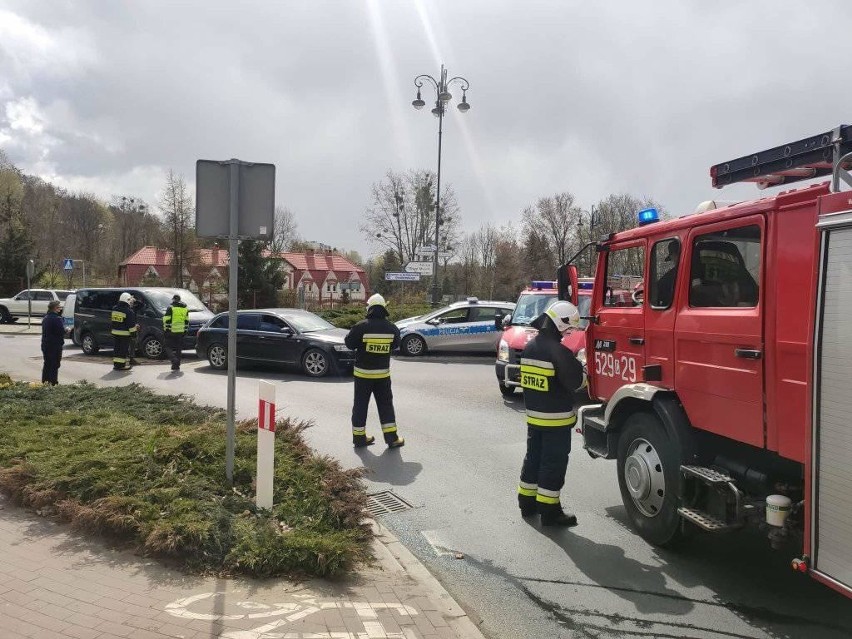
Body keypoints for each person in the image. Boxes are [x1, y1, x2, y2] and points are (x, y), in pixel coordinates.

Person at [517, 301, 585, 526]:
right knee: (553, 464)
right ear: (560, 323)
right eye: (569, 329)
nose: (569, 333)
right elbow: (575, 382)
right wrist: (583, 369)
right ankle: (550, 511)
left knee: (533, 459)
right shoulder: (559, 351)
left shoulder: (530, 347)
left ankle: (527, 504)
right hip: (556, 421)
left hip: (534, 418)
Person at [344, 293, 405, 448]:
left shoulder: (360, 326)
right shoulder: (392, 328)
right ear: (384, 308)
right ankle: (392, 438)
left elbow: (349, 344)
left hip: (362, 375)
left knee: (360, 406)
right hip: (382, 376)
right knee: (386, 405)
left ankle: (359, 438)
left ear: (369, 308)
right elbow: (396, 345)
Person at [111, 292, 137, 370]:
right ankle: (121, 366)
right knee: (123, 350)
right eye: (130, 300)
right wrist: (134, 335)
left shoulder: (115, 308)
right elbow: (131, 326)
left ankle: (116, 365)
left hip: (115, 332)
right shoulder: (129, 312)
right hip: (125, 334)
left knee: (117, 349)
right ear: (127, 300)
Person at [41, 300, 65, 385]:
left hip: (45, 344)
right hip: (55, 345)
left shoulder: (46, 317)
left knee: (47, 363)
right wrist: (67, 330)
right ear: (55, 308)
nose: (60, 308)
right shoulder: (57, 319)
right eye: (59, 307)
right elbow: (61, 331)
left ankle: (45, 381)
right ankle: (53, 382)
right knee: (55, 364)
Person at [163, 293, 189, 371]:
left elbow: (166, 320)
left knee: (167, 347)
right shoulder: (185, 309)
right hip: (180, 332)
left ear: (173, 300)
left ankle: (174, 360)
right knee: (178, 349)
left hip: (171, 331)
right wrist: (185, 331)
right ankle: (176, 366)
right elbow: (187, 321)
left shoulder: (170, 308)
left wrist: (166, 329)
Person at [128, 296, 142, 366]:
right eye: (130, 301)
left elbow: (141, 305)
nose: (131, 303)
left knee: (133, 343)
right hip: (127, 329)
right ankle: (129, 359)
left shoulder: (134, 308)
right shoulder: (126, 309)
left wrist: (135, 300)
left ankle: (131, 359)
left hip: (133, 327)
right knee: (130, 343)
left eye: (132, 302)